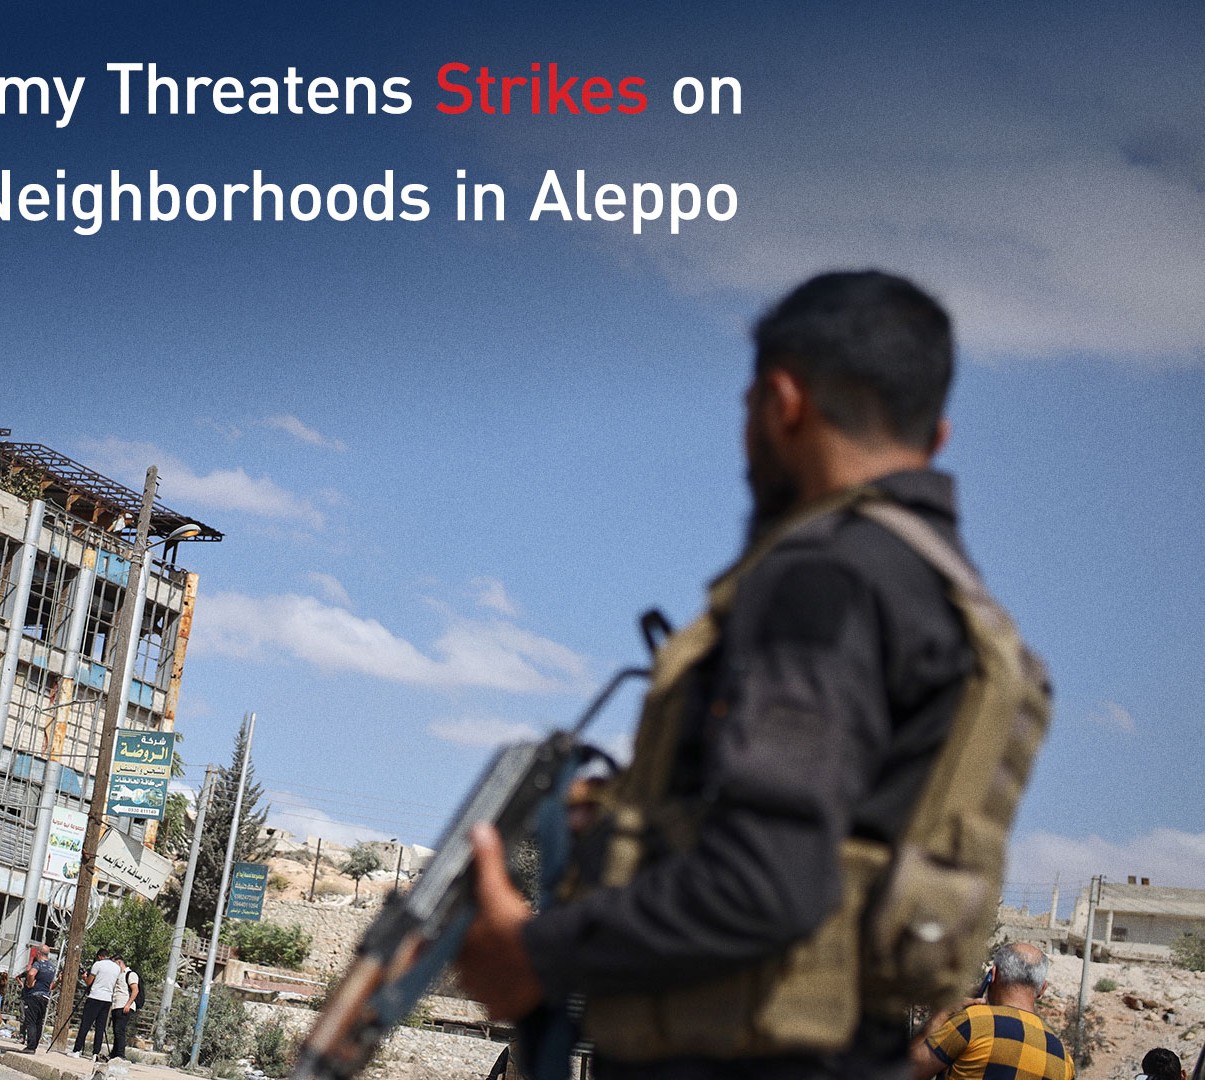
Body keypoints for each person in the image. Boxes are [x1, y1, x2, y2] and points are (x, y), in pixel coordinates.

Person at [454, 271, 1051, 1080]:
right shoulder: (966, 616)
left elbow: (767, 880)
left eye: (746, 412)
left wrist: (537, 953)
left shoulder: (821, 579)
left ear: (781, 402)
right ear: (937, 437)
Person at [910, 943, 1072, 1080]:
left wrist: (941, 1016)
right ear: (1042, 989)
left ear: (993, 975)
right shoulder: (1064, 1061)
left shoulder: (972, 1023)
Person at [70, 947, 120, 1058]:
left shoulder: (98, 965)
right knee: (100, 1027)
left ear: (99, 957)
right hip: (107, 999)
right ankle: (95, 1053)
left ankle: (77, 1050)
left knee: (85, 1024)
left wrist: (84, 976)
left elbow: (89, 982)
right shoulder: (117, 968)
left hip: (95, 997)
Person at [20, 943, 56, 1052]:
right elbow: (51, 985)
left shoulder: (38, 964)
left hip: (34, 995)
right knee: (38, 1021)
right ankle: (35, 1045)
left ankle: (30, 1046)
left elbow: (31, 974)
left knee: (31, 1020)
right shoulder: (52, 967)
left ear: (38, 953)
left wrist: (30, 984)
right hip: (45, 996)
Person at [109, 954, 140, 1061]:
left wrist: (128, 1004)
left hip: (124, 1005)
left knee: (120, 1031)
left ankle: (120, 1055)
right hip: (116, 1005)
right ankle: (114, 1053)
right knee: (116, 1031)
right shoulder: (118, 975)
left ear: (119, 963)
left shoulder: (130, 974)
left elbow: (135, 990)